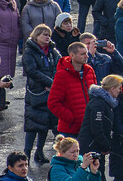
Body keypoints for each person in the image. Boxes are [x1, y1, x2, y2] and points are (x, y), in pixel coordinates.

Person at [22, 24, 61, 163]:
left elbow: (59, 65)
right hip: (37, 91)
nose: (47, 37)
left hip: (50, 90)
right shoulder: (29, 51)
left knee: (46, 121)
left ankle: (39, 151)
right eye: (44, 34)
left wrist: (54, 83)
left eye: (49, 35)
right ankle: (26, 152)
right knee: (33, 122)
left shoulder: (52, 50)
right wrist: (51, 82)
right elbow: (31, 71)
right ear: (36, 35)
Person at [76, 74, 123, 176]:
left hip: (96, 145)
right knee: (94, 175)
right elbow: (96, 128)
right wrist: (106, 146)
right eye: (119, 88)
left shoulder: (106, 103)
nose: (120, 91)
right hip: (90, 146)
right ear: (112, 88)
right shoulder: (98, 104)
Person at [48, 42, 98, 137]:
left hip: (90, 126)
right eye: (82, 54)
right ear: (72, 55)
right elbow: (53, 102)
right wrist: (72, 118)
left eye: (86, 53)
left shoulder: (89, 70)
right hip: (70, 130)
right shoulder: (62, 75)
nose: (86, 56)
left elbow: (95, 96)